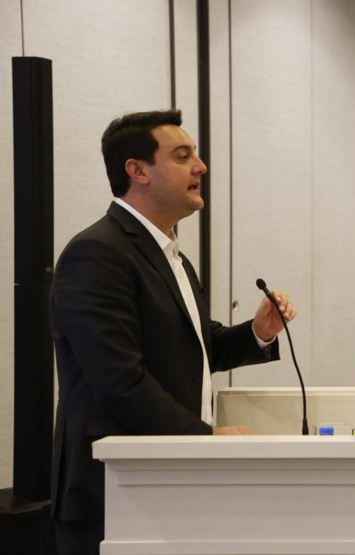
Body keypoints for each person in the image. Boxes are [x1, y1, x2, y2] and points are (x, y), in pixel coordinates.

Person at [49, 110, 297, 555]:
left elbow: (195, 348)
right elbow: (120, 381)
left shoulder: (173, 256)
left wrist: (258, 332)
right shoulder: (97, 253)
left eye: (196, 155)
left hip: (165, 478)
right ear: (137, 170)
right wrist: (204, 437)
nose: (200, 167)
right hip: (114, 491)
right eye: (183, 156)